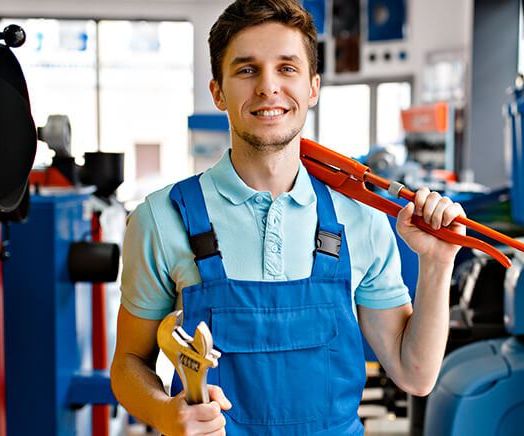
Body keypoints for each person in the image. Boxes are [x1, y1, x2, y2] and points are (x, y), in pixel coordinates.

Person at [110, 1, 465, 434]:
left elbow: (415, 374)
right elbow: (128, 365)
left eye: (287, 68)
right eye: (246, 70)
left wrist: (437, 262)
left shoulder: (362, 219)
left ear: (313, 87)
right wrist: (166, 413)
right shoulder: (161, 220)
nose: (268, 87)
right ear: (218, 91)